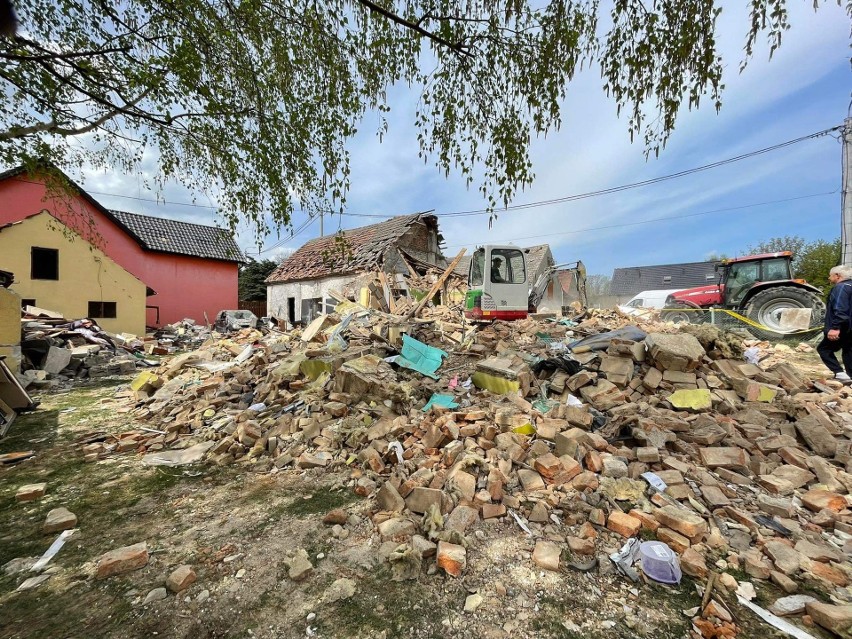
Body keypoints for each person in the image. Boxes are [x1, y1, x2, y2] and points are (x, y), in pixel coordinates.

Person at [817, 265, 852, 383]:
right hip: (849, 327)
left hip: (843, 327)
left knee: (824, 349)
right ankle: (849, 377)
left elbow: (840, 309)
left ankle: (839, 373)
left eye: (830, 275)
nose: (828, 278)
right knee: (848, 350)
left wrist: (835, 327)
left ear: (837, 276)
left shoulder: (841, 288)